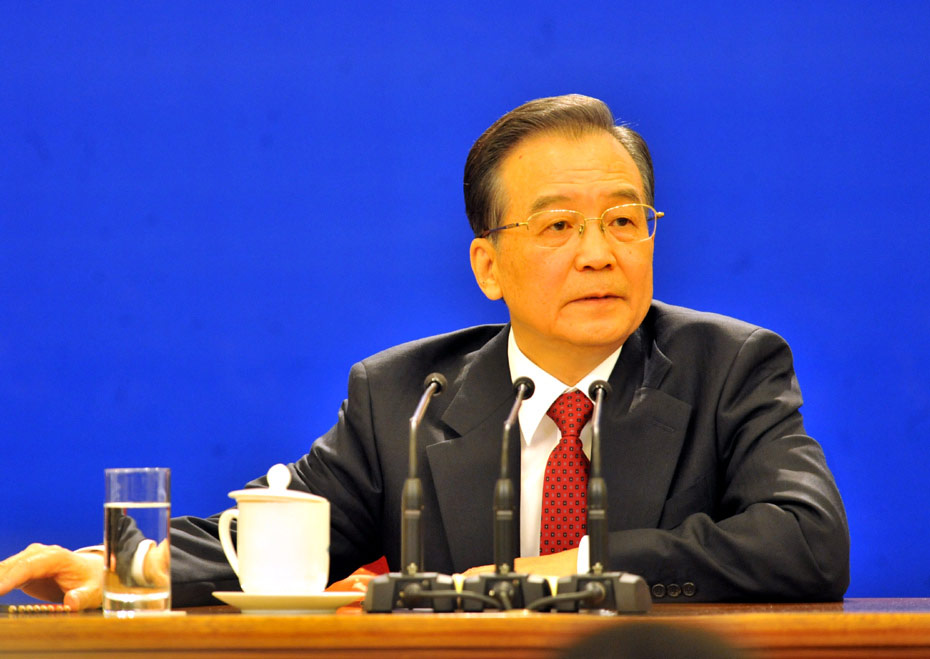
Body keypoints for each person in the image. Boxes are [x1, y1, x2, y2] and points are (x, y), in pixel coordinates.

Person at [0, 94, 849, 609]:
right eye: (559, 225)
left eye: (625, 220)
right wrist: (128, 562)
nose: (599, 253)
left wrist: (576, 568)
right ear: (488, 265)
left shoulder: (728, 368)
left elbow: (808, 540)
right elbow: (282, 534)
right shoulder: (408, 395)